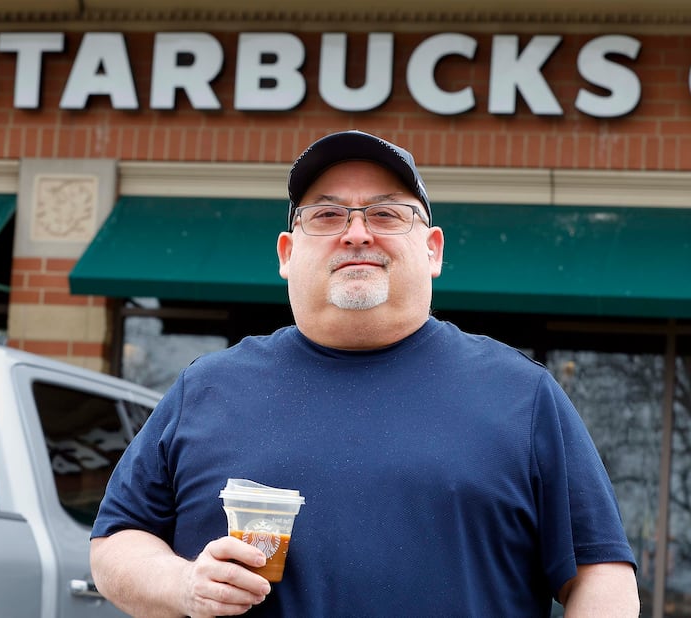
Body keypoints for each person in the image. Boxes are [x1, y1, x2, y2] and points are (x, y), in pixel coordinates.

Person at [89, 130, 639, 617]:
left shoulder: (521, 394)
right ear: (286, 253)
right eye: (327, 215)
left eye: (385, 214)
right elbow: (115, 543)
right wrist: (184, 584)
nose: (356, 233)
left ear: (433, 250)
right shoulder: (206, 388)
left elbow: (601, 574)